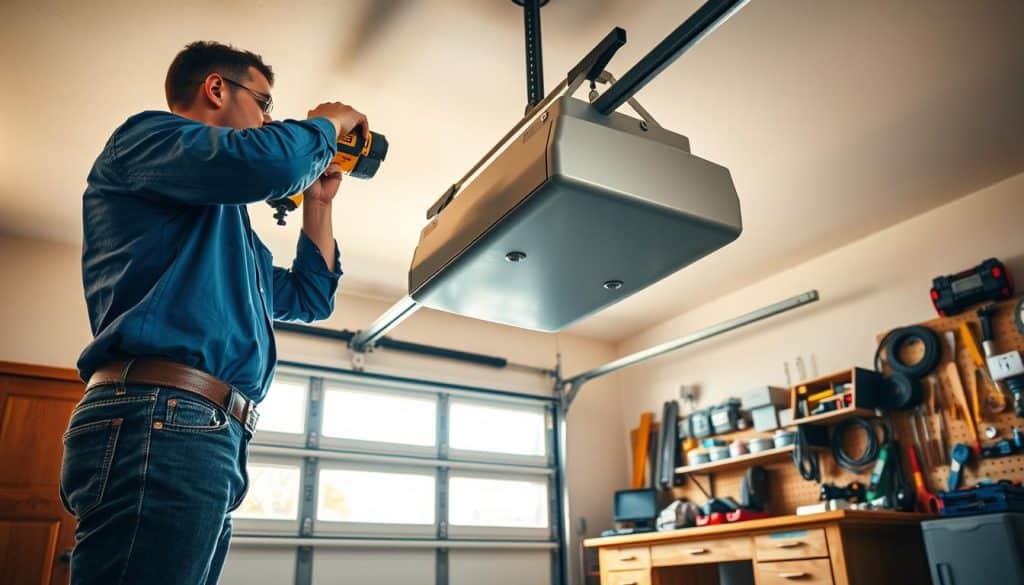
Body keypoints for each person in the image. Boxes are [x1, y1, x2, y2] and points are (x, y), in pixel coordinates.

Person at [58, 40, 367, 584]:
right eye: (265, 102)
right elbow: (275, 161)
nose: (270, 117)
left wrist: (318, 204)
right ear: (216, 88)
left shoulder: (223, 234)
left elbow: (309, 297)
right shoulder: (144, 137)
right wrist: (326, 122)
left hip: (201, 428)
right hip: (163, 414)